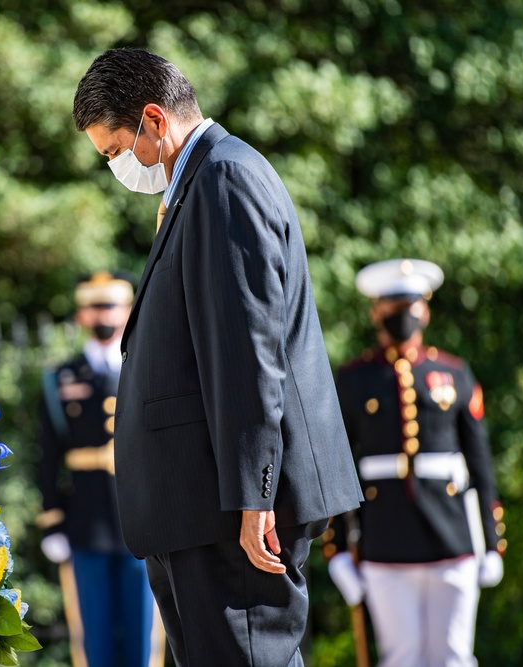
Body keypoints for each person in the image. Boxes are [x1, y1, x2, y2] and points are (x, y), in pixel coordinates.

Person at [71, 48, 363, 666]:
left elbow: (248, 351)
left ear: (154, 119)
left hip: (229, 510)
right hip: (203, 503)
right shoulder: (199, 184)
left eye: (114, 148)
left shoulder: (223, 179)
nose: (117, 166)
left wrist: (254, 496)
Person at [323, 259, 506, 667]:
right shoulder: (355, 380)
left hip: (453, 540)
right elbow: (334, 468)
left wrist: (493, 542)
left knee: (454, 657)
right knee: (401, 657)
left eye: (409, 306)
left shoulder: (454, 374)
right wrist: (335, 550)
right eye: (391, 307)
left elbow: (480, 464)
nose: (401, 316)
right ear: (375, 312)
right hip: (385, 541)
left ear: (425, 310)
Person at [37, 271, 165, 667]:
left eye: (110, 306)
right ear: (80, 316)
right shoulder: (60, 379)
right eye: (93, 307)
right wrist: (53, 521)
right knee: (94, 638)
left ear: (128, 311)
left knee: (144, 638)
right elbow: (47, 455)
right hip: (86, 524)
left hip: (143, 523)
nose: (102, 315)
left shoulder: (150, 370)